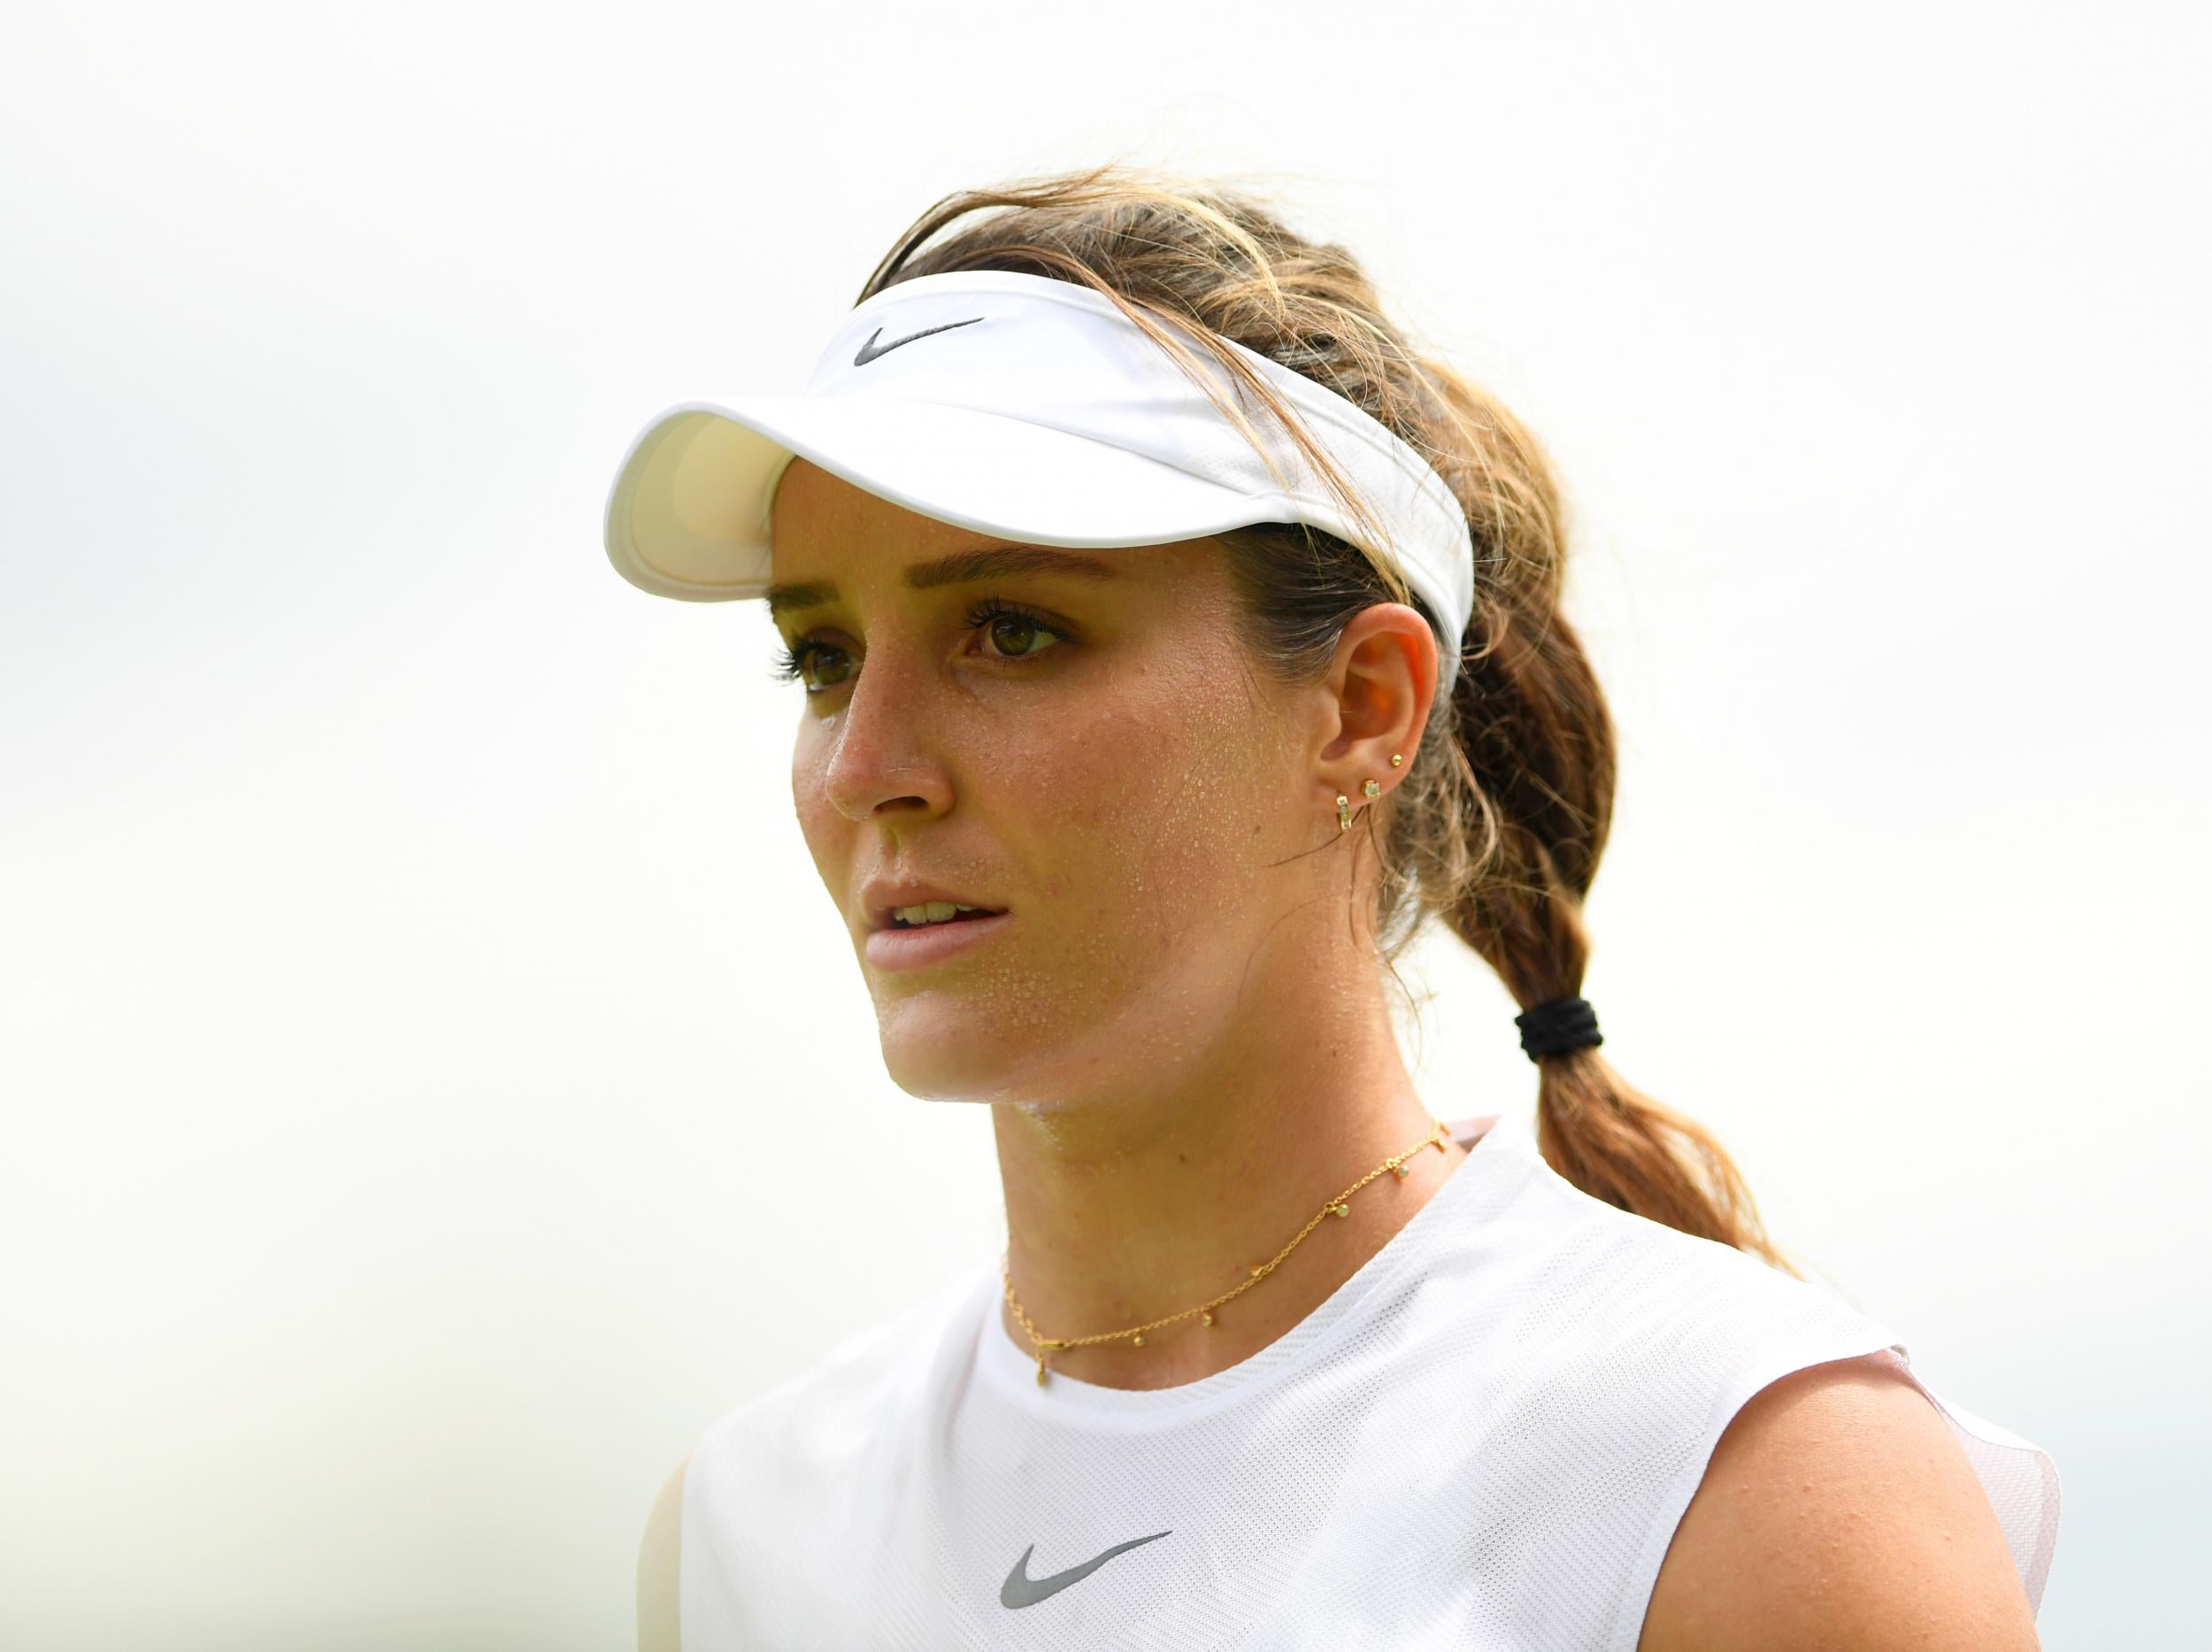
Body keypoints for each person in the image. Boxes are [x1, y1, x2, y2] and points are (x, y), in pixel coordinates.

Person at [603, 165, 2061, 1650]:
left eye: (1014, 629)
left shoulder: (1742, 1476)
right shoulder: (747, 1532)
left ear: (1363, 707)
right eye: (823, 655)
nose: (865, 768)